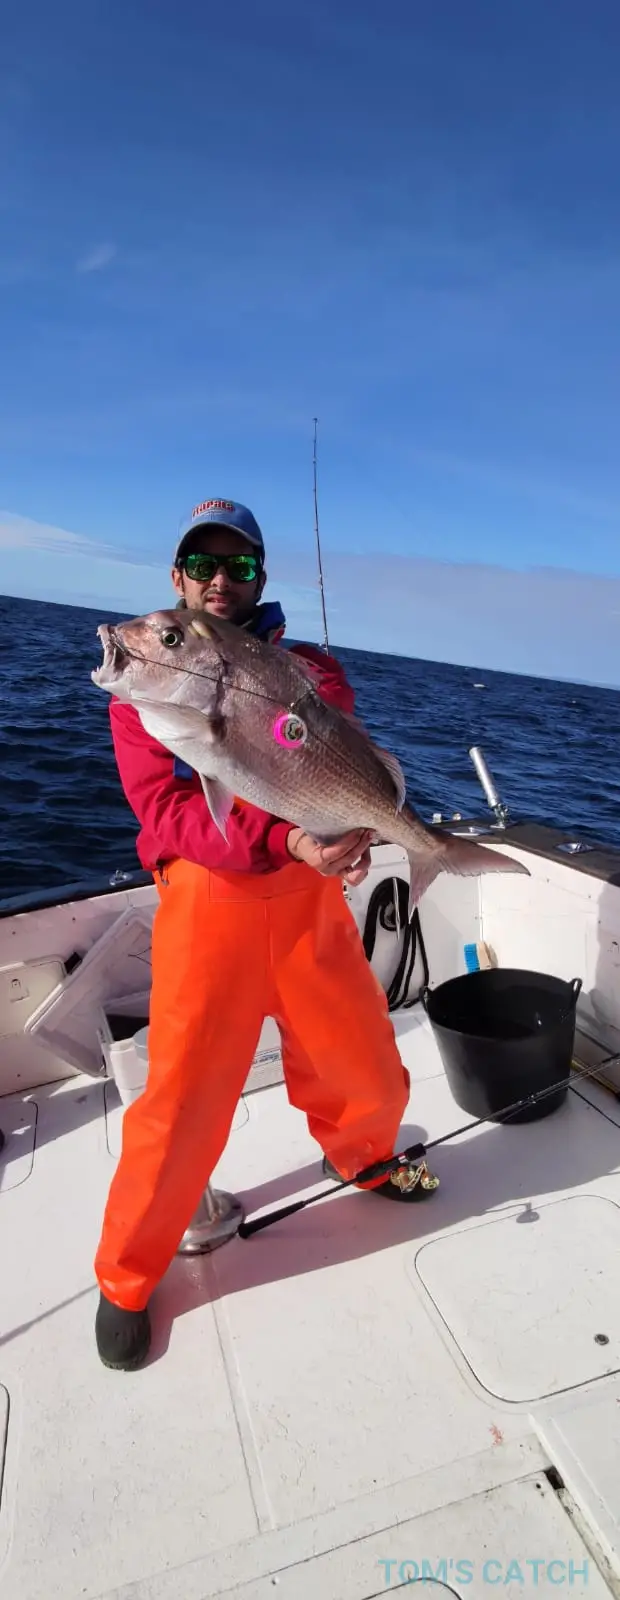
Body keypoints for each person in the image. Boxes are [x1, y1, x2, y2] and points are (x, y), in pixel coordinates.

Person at [94, 497, 437, 1371]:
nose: (220, 578)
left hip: (309, 901)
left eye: (239, 565)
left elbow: (328, 769)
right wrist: (287, 840)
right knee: (182, 1102)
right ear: (177, 577)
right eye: (202, 564)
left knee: (361, 1059)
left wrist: (347, 837)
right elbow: (166, 812)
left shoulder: (311, 671)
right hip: (209, 906)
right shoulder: (144, 684)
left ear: (259, 578)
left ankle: (364, 1158)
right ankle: (127, 1275)